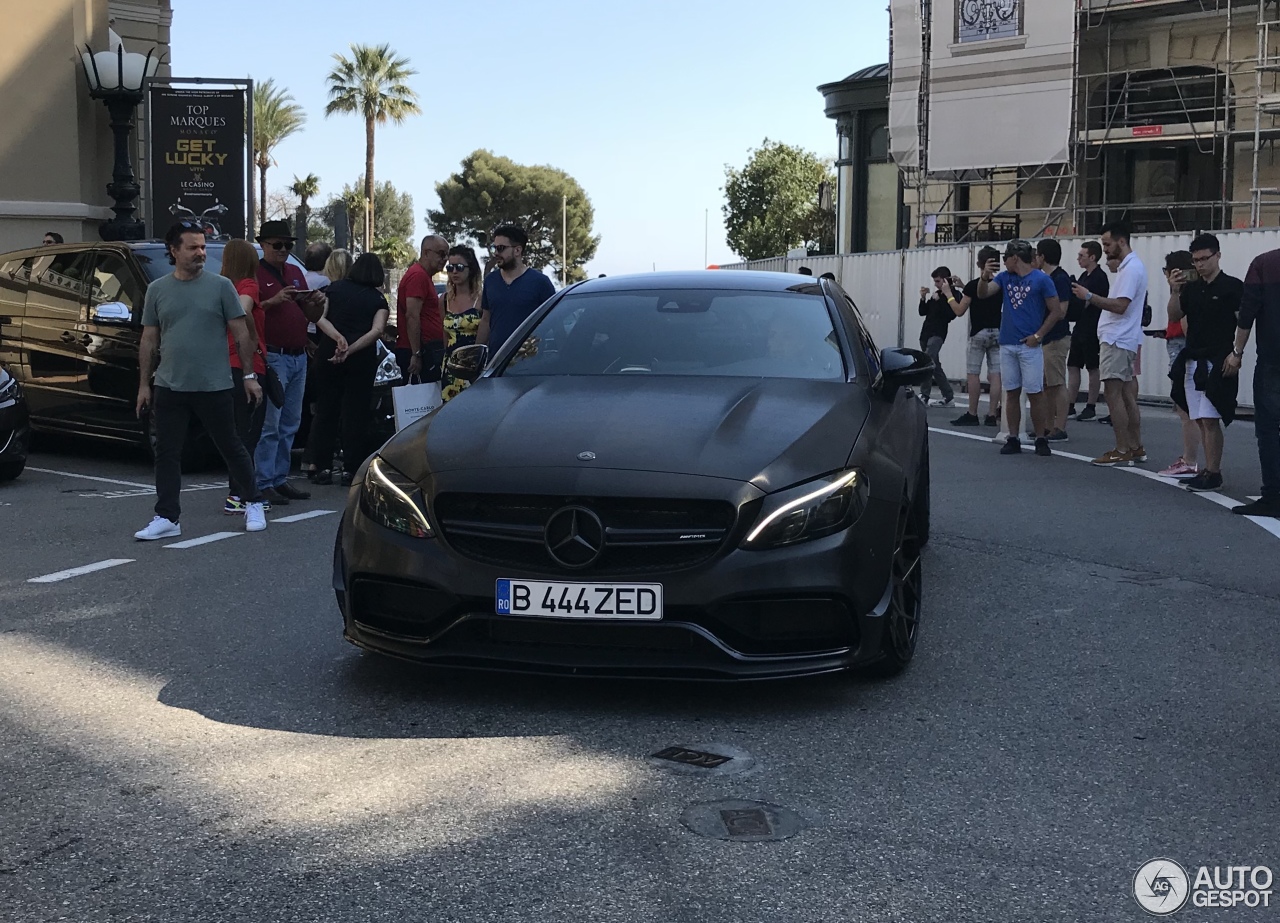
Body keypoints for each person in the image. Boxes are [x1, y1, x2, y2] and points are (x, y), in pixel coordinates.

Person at [133, 222, 266, 539]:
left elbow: (241, 333)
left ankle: (254, 502)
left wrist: (248, 376)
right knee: (167, 453)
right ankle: (167, 517)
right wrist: (143, 385)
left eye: (203, 247)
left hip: (215, 385)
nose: (201, 253)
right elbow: (149, 340)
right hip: (170, 386)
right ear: (174, 250)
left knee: (231, 447)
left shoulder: (221, 287)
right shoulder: (158, 290)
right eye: (193, 247)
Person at [1165, 234, 1242, 493]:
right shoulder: (1192, 288)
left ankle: (1214, 471)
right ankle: (1207, 469)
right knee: (1198, 416)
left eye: (1204, 259)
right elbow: (1175, 315)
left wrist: (1236, 353)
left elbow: (1243, 322)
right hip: (1192, 358)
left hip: (1217, 357)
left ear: (1217, 255)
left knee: (1210, 418)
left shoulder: (1232, 286)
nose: (1200, 265)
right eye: (1195, 260)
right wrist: (1175, 290)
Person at [254, 219, 323, 505]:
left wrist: (315, 303)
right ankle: (263, 481)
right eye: (277, 245)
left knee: (290, 422)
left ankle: (279, 478)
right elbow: (249, 310)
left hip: (296, 355)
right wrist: (274, 301)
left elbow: (308, 315)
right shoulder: (256, 273)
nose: (283, 250)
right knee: (271, 423)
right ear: (263, 245)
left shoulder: (295, 271)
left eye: (288, 245)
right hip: (274, 354)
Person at [308, 253, 390, 487]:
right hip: (360, 359)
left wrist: (337, 338)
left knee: (326, 409)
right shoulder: (378, 300)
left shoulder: (334, 289)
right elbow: (377, 331)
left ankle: (321, 465)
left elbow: (318, 318)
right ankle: (350, 467)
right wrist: (350, 349)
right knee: (355, 413)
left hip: (326, 354)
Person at [978, 239, 1065, 456]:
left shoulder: (1041, 279)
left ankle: (1041, 437)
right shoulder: (1005, 277)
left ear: (1015, 258)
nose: (1003, 262)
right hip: (1008, 342)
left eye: (1006, 257)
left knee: (1035, 392)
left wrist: (1039, 335)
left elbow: (1056, 311)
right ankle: (1013, 436)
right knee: (1012, 391)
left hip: (1029, 344)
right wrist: (983, 276)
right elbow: (983, 293)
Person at [1075, 221, 1147, 467]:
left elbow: (1120, 305)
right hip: (1123, 338)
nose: (1104, 249)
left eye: (1107, 244)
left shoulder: (1131, 270)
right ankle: (1135, 447)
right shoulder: (1130, 267)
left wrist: (1089, 297)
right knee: (1127, 394)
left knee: (1114, 394)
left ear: (1121, 241)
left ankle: (1122, 448)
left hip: (1117, 339)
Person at [1226, 246, 1280, 517]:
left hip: (1273, 357)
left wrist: (1237, 352)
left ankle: (1273, 497)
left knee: (1269, 429)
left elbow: (1247, 312)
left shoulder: (1264, 263)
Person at [219, 239, 270, 515]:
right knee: (249, 432)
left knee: (236, 431)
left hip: (226, 363)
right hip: (249, 363)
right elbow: (244, 308)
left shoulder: (222, 285)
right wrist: (251, 333)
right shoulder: (248, 285)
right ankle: (240, 492)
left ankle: (237, 490)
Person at [1157, 251, 1204, 479]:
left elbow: (1184, 323)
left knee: (1186, 408)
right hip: (1176, 342)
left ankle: (1190, 459)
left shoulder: (1187, 292)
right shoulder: (1184, 290)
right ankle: (1189, 458)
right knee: (1186, 408)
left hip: (1182, 347)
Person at [944, 247, 1003, 428]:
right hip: (998, 331)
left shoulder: (972, 285)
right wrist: (963, 286)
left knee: (973, 374)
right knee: (996, 374)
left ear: (979, 263)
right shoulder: (1001, 284)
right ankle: (992, 414)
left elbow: (960, 311)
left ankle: (972, 413)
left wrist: (949, 294)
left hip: (978, 332)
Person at [477, 224, 556, 354]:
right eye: (494, 248)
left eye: (501, 248)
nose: (496, 253)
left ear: (517, 250)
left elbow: (554, 322)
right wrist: (477, 353)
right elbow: (486, 319)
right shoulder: (490, 281)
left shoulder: (541, 282)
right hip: (497, 362)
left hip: (529, 360)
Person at [298, 241, 334, 480]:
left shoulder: (299, 279)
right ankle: (312, 455)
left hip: (301, 338)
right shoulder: (324, 284)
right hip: (318, 337)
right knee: (321, 401)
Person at [1034, 239, 1074, 441]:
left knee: (1057, 383)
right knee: (1047, 384)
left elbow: (1062, 310)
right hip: (1047, 337)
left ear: (1042, 256)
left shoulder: (1059, 278)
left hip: (1056, 336)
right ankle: (1048, 425)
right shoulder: (1047, 277)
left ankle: (1060, 426)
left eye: (1037, 254)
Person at [395, 235, 448, 384]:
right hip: (420, 352)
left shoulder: (423, 276)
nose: (445, 259)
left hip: (425, 350)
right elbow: (412, 315)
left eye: (447, 255)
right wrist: (416, 354)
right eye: (441, 254)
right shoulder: (418, 276)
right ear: (426, 253)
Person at [1066, 242, 1108, 423]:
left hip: (1093, 326)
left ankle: (1091, 405)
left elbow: (1090, 301)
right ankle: (1070, 404)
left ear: (1092, 257)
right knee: (1073, 365)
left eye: (1082, 255)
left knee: (1093, 367)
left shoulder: (1099, 278)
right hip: (1080, 326)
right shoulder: (1084, 276)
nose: (1079, 259)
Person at [440, 245, 484, 402]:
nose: (454, 272)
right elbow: (444, 335)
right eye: (450, 267)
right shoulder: (444, 299)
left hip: (474, 367)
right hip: (450, 367)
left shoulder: (482, 298)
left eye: (459, 267)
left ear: (470, 269)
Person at [916, 267, 957, 407]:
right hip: (926, 332)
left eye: (938, 281)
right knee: (935, 366)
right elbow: (923, 312)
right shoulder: (936, 294)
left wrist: (940, 300)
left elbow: (951, 315)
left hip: (938, 333)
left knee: (927, 360)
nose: (936, 284)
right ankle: (948, 396)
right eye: (935, 281)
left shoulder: (954, 294)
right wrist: (923, 298)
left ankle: (924, 394)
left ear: (946, 280)